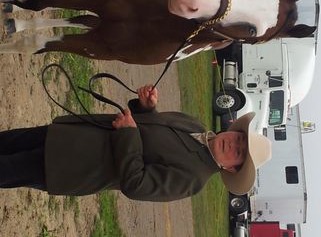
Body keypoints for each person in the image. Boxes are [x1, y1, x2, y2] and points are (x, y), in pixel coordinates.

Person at [0, 85, 271, 201]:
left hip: (70, 165)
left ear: (232, 169)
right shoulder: (197, 127)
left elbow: (136, 184)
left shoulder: (194, 180)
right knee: (6, 141)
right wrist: (145, 107)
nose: (233, 144)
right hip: (71, 134)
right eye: (238, 139)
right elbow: (149, 126)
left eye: (239, 153)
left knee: (6, 168)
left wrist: (128, 134)